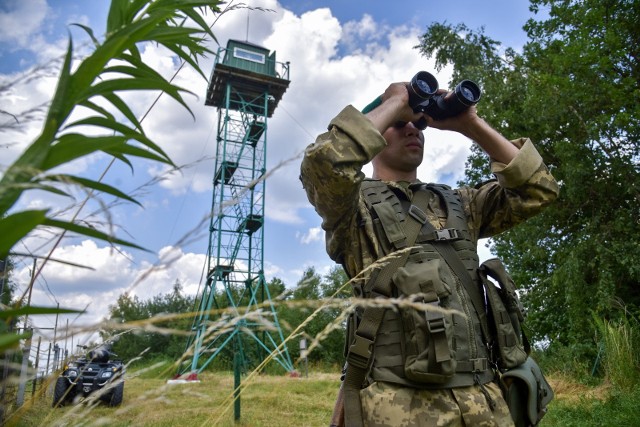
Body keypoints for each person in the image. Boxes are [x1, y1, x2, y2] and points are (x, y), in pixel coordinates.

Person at [300, 80, 559, 427]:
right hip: (400, 405)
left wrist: (469, 124)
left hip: (485, 398)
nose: (413, 128)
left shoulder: (458, 203)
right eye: (399, 124)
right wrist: (396, 102)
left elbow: (538, 189)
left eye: (419, 124)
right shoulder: (351, 208)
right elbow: (325, 163)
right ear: (373, 140)